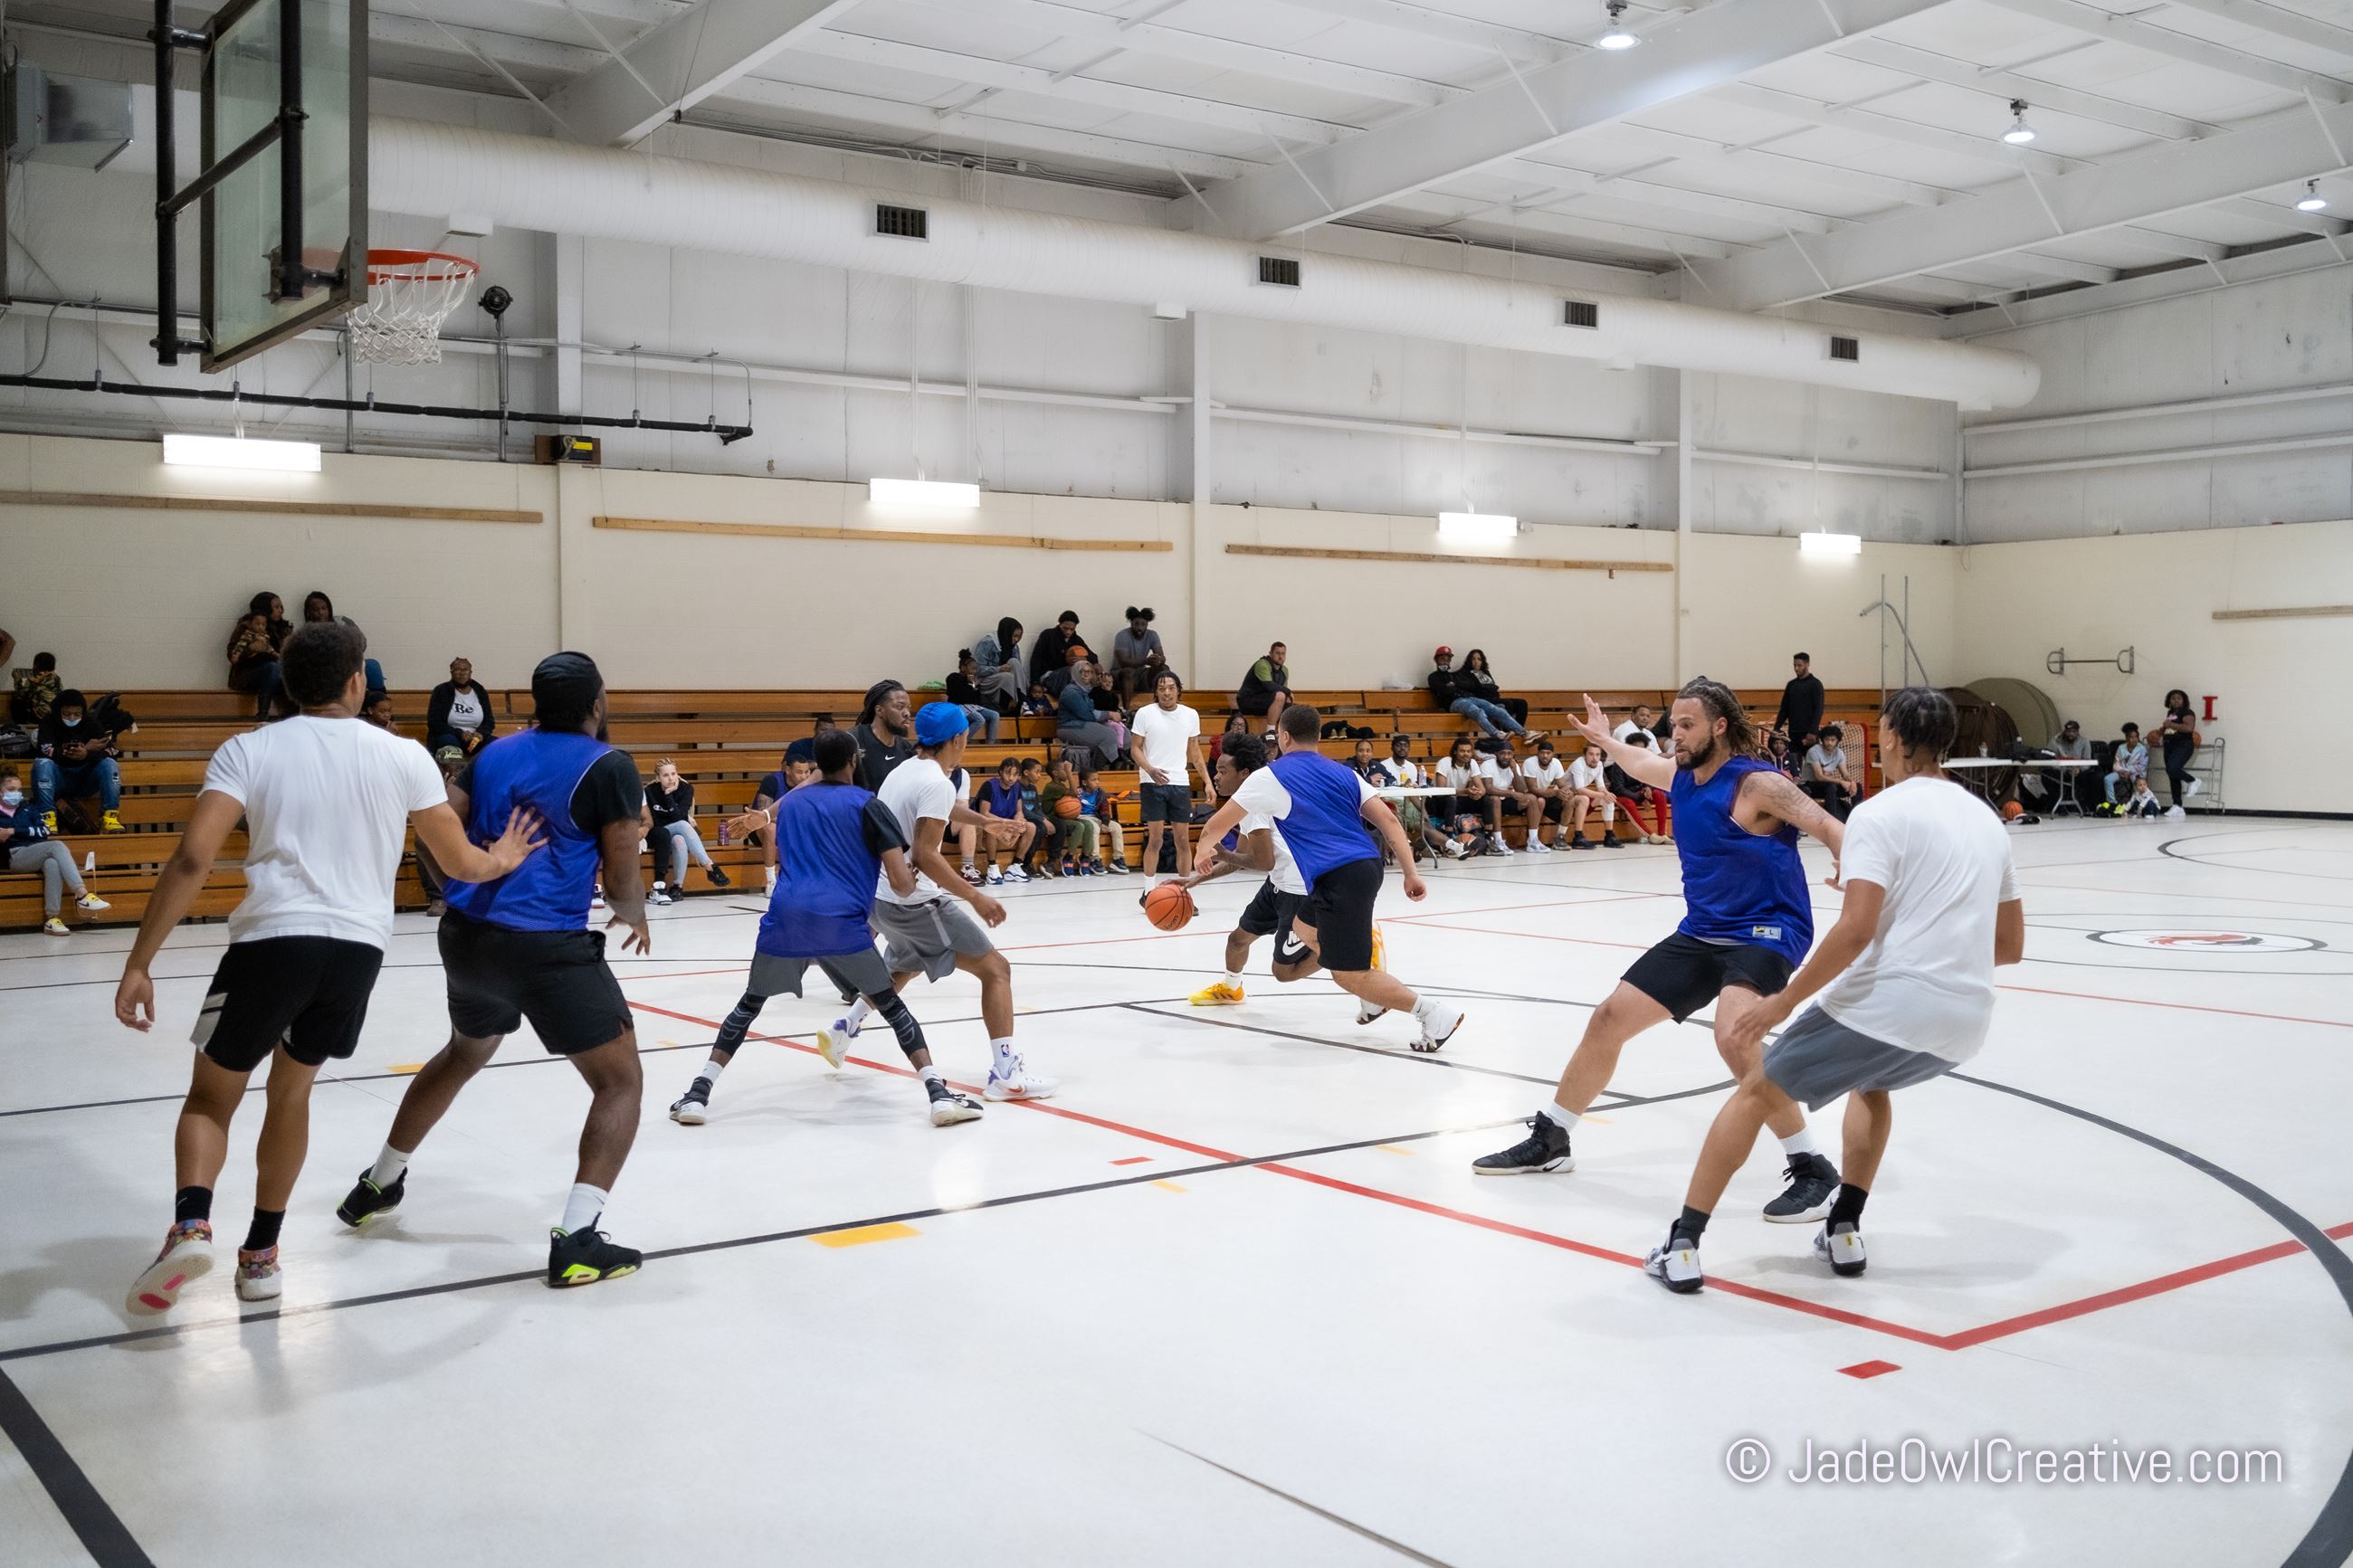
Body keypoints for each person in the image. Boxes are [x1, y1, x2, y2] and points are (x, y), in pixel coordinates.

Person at [112, 621, 542, 1314]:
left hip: (270, 943)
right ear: (356, 681)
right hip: (356, 952)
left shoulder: (247, 749)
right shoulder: (403, 755)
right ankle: (261, 1256)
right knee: (291, 1094)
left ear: (286, 684)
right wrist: (505, 858)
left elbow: (193, 858)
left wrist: (140, 961)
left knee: (210, 1099)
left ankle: (192, 1223)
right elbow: (460, 861)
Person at [1645, 687, 2023, 1294]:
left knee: (1755, 1088)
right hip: (1965, 1022)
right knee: (1871, 1081)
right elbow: (2008, 946)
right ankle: (1844, 1228)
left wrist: (1782, 1001)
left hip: (1893, 999)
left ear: (1892, 737)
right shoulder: (1987, 818)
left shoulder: (1878, 813)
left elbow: (1855, 930)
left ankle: (1682, 1243)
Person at [1471, 680, 1848, 1228]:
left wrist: (1848, 866)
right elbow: (1638, 758)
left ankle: (1811, 1165)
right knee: (1607, 1020)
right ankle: (1553, 1137)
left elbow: (1828, 824)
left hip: (1766, 930)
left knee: (1734, 1037)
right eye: (1674, 724)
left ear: (1719, 726)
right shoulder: (1681, 776)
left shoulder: (1756, 784)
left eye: (1688, 724)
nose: (1676, 734)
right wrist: (1603, 738)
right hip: (1702, 932)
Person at [332, 651, 653, 1291]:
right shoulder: (609, 766)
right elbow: (619, 876)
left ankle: (379, 1180)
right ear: (596, 704)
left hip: (467, 937)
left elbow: (430, 827)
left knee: (463, 1053)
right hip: (546, 949)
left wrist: (466, 870)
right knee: (621, 1082)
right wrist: (636, 912)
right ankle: (579, 1239)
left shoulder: (494, 753)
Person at [667, 728, 976, 1126]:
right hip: (842, 924)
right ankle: (937, 1094)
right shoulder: (868, 804)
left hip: (786, 919)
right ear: (853, 762)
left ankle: (697, 1095)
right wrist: (914, 876)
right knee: (893, 1008)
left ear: (815, 766)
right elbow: (900, 884)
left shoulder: (791, 805)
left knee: (748, 1007)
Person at [1196, 704, 1463, 1050]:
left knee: (1348, 974)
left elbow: (1220, 822)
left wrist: (1204, 848)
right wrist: (1410, 873)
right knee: (1304, 929)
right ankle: (1372, 992)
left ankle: (1431, 1012)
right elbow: (1390, 821)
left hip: (1342, 877)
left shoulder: (1270, 776)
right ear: (1319, 737)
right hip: (1360, 868)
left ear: (1284, 736)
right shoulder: (1345, 773)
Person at [833, 702, 1055, 1104]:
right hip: (914, 903)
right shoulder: (937, 781)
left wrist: (985, 822)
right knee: (996, 970)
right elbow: (925, 854)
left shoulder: (906, 769)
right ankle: (1006, 1074)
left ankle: (843, 1029)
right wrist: (975, 896)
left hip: (881, 899)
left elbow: (934, 809)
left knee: (903, 966)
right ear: (957, 738)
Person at [1184, 735, 1323, 1006]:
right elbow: (1244, 857)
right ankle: (1232, 989)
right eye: (1216, 770)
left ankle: (1355, 949)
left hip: (1298, 890)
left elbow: (1263, 863)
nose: (1216, 776)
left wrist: (1222, 853)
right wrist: (1198, 878)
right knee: (1238, 940)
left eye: (1223, 771)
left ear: (1244, 773)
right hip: (1278, 884)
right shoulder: (1248, 802)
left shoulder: (1256, 804)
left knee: (1284, 971)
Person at [1, 765, 110, 934]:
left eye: (19, 789)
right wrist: (27, 832)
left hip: (37, 850)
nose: (16, 793)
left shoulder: (29, 808)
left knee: (52, 863)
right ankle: (82, 894)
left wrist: (13, 831)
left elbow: (44, 831)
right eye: (11, 789)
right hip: (14, 856)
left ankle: (52, 919)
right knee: (56, 845)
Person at [1133, 670, 1212, 879]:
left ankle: (1184, 891)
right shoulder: (1145, 713)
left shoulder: (1190, 715)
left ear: (1178, 691)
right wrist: (1150, 769)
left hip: (1179, 782)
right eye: (1161, 689)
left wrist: (1208, 782)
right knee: (1156, 840)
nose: (1166, 692)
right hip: (1152, 781)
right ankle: (1148, 892)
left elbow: (1195, 751)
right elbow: (1135, 748)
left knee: (1183, 841)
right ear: (1156, 692)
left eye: (1171, 688)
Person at [33, 689, 125, 833]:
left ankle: (110, 817)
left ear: (83, 712)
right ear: (58, 712)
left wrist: (86, 754)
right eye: (66, 714)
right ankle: (47, 817)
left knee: (110, 764)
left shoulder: (92, 723)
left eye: (77, 714)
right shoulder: (48, 722)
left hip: (86, 778)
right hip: (59, 779)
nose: (72, 718)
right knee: (42, 764)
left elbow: (112, 752)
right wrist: (79, 751)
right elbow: (45, 749)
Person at [645, 758, 729, 903]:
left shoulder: (686, 789)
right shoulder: (649, 791)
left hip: (676, 831)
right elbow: (656, 821)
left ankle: (677, 887)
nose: (671, 778)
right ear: (657, 778)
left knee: (680, 840)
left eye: (673, 773)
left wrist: (669, 796)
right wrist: (673, 807)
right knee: (684, 825)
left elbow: (678, 816)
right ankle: (710, 866)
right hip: (658, 833)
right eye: (665, 775)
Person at [1373, 735, 1458, 860]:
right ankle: (1410, 849)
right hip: (1391, 804)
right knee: (1399, 824)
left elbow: (1412, 792)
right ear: (1392, 748)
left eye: (1405, 746)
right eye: (1399, 745)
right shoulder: (1384, 766)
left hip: (1409, 802)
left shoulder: (1411, 767)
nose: (1402, 748)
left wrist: (1423, 811)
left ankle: (1455, 847)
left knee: (1425, 825)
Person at [1427, 645, 1532, 742]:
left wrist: (1454, 685)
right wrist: (1454, 687)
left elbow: (1471, 685)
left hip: (1470, 698)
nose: (1445, 661)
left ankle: (1525, 733)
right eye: (1442, 659)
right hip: (1455, 702)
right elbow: (1445, 691)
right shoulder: (1433, 677)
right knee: (1478, 712)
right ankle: (1497, 734)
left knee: (1497, 709)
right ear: (1436, 660)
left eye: (1447, 659)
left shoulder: (1453, 675)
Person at [301, 591, 386, 693]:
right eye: (316, 610)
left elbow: (361, 643)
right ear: (309, 613)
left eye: (324, 608)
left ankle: (379, 703)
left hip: (349, 663)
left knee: (372, 666)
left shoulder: (342, 622)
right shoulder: (305, 633)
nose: (321, 612)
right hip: (326, 670)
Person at [974, 757, 1036, 884]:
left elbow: (1019, 810)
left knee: (1031, 827)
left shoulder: (1017, 787)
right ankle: (992, 867)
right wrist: (1006, 823)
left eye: (1015, 774)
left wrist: (1019, 820)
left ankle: (1015, 866)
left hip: (1006, 821)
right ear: (1000, 772)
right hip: (984, 822)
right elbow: (984, 813)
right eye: (1008, 773)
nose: (1011, 778)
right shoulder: (989, 785)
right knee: (992, 826)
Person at [1609, 719, 1672, 845]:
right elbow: (1619, 788)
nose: (1640, 752)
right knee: (1628, 803)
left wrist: (1648, 788)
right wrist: (1640, 797)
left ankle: (1662, 834)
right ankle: (1649, 835)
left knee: (1659, 794)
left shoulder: (1646, 762)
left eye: (1642, 749)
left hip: (1639, 793)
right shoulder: (1619, 763)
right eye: (1636, 749)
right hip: (1622, 795)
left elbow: (1653, 780)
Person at [1053, 659, 1124, 769]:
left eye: (1090, 672)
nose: (1087, 674)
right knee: (1109, 736)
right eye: (1083, 671)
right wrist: (1108, 714)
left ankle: (1118, 769)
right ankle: (1095, 773)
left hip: (1084, 724)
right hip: (1070, 726)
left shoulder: (1085, 690)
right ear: (1076, 673)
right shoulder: (1071, 692)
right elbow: (1086, 715)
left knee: (1126, 735)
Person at [852, 679, 918, 792]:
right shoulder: (852, 740)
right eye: (899, 707)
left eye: (908, 708)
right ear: (879, 711)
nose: (907, 713)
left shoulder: (908, 751)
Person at [226, 594, 285, 717]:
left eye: (281, 607)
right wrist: (251, 649)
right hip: (249, 672)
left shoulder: (283, 628)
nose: (281, 610)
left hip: (278, 668)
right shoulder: (246, 628)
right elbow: (232, 654)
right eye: (276, 607)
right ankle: (263, 712)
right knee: (272, 668)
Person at [1041, 757, 1102, 876]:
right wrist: (1070, 772)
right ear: (1056, 773)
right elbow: (1075, 793)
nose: (1067, 771)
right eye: (1064, 770)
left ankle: (1085, 856)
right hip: (1051, 817)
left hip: (1062, 817)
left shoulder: (1060, 786)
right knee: (1078, 826)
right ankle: (1069, 856)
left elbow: (1074, 795)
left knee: (1089, 825)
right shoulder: (1052, 786)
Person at [426, 657, 498, 755]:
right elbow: (434, 723)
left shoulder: (480, 691)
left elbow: (489, 721)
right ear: (451, 672)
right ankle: (451, 770)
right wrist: (460, 733)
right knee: (450, 748)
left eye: (465, 669)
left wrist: (481, 733)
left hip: (475, 739)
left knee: (497, 746)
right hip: (450, 735)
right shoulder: (441, 691)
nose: (462, 673)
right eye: (458, 669)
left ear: (470, 672)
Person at [1565, 740, 1624, 850]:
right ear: (1585, 755)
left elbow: (1601, 786)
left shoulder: (1599, 765)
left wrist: (1608, 794)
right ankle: (1578, 837)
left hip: (1579, 798)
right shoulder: (1578, 764)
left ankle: (1609, 836)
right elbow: (1580, 789)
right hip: (1565, 797)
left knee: (1608, 799)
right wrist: (1602, 795)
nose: (1595, 758)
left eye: (1597, 754)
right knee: (1586, 798)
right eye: (1591, 754)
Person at [1077, 764, 1130, 873]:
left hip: (1096, 817)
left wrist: (1105, 822)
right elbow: (1069, 808)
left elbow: (1105, 809)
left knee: (1116, 827)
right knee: (1094, 828)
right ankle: (1095, 859)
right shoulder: (1078, 793)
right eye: (1094, 780)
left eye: (1098, 779)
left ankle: (1118, 858)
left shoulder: (1100, 793)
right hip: (1081, 817)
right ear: (1084, 782)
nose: (1097, 782)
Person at [2156, 689, 2204, 812]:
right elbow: (2169, 728)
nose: (2176, 700)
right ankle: (2177, 805)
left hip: (2183, 745)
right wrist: (2162, 732)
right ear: (2169, 701)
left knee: (2173, 768)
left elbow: (2188, 728)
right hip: (2169, 745)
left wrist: (2170, 725)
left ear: (2183, 700)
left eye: (2179, 698)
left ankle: (2193, 780)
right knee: (2172, 774)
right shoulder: (2170, 713)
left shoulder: (2187, 712)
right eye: (2173, 698)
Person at [1458, 649, 1530, 727]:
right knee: (1508, 703)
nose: (1476, 661)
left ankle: (1518, 730)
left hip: (1494, 697)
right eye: (1473, 659)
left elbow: (1492, 686)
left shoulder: (1485, 672)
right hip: (1482, 699)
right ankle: (1507, 731)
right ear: (1469, 660)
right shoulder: (1465, 673)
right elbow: (1470, 687)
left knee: (1522, 703)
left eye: (1479, 659)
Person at [1802, 723, 1858, 822]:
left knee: (1858, 787)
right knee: (1831, 787)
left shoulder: (1839, 753)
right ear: (1822, 740)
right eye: (1827, 740)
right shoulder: (1814, 751)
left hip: (1829, 785)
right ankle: (1833, 820)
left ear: (1837, 741)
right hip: (1811, 785)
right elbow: (1819, 776)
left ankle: (1857, 817)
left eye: (1833, 740)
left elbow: (1845, 774)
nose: (1830, 743)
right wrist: (1840, 782)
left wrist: (1852, 782)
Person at [945, 649, 1002, 742]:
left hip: (972, 707)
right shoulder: (953, 677)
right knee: (979, 719)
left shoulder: (973, 682)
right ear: (963, 668)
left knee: (994, 715)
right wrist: (968, 683)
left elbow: (976, 700)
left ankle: (990, 745)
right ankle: (960, 741)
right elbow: (961, 697)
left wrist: (974, 686)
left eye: (976, 669)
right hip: (958, 706)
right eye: (972, 668)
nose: (975, 672)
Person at [1111, 606, 1166, 702]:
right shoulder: (1122, 635)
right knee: (1129, 672)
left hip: (1141, 674)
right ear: (1131, 623)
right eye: (1136, 624)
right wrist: (1145, 661)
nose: (1139, 627)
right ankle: (1126, 710)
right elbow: (1124, 662)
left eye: (1143, 624)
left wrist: (1158, 660)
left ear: (1147, 625)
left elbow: (1162, 656)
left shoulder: (1152, 635)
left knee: (1164, 669)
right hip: (1120, 674)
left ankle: (1161, 706)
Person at [1233, 641, 1291, 725]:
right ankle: (1270, 732)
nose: (1280, 656)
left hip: (1266, 702)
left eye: (1283, 653)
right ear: (1271, 653)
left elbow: (1284, 693)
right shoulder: (1262, 664)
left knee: (1293, 706)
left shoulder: (1285, 670)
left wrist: (1288, 696)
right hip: (1248, 701)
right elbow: (1269, 686)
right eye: (1277, 653)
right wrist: (1289, 691)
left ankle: (1281, 732)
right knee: (1280, 695)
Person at [1774, 651, 1825, 749]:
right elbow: (1784, 709)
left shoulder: (1815, 684)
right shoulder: (1791, 685)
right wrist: (1776, 728)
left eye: (1799, 665)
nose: (1796, 668)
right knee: (1794, 761)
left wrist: (1813, 731)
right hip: (1793, 732)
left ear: (1807, 664)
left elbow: (1819, 709)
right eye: (1794, 665)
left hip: (1809, 733)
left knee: (1811, 762)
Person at [973, 619, 1024, 711]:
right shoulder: (987, 643)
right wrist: (998, 669)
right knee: (1007, 677)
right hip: (985, 681)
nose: (1016, 640)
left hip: (1007, 681)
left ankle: (1022, 700)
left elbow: (1019, 671)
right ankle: (1011, 706)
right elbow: (977, 669)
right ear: (1007, 633)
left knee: (1014, 662)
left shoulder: (1014, 647)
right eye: (1014, 636)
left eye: (1019, 637)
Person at [1029, 610, 1087, 688]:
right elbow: (1036, 659)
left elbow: (1092, 656)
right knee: (1070, 671)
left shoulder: (1077, 640)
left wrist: (1083, 658)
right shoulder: (1048, 635)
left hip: (1069, 675)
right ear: (1060, 624)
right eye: (1065, 628)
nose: (1068, 632)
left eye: (1072, 629)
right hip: (1048, 675)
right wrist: (1035, 682)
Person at [2102, 722, 2148, 810]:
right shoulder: (2121, 747)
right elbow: (2116, 763)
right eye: (2131, 737)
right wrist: (2121, 771)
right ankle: (2112, 803)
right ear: (2126, 738)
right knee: (2107, 779)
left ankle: (2139, 805)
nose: (2133, 739)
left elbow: (2142, 766)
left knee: (2139, 783)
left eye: (2136, 737)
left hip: (2136, 773)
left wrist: (2129, 772)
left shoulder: (2142, 749)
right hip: (2122, 772)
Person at [11, 649, 60, 724]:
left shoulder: (36, 681)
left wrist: (17, 680)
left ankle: (21, 728)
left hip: (41, 716)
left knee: (16, 702)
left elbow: (21, 695)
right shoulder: (57, 679)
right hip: (55, 716)